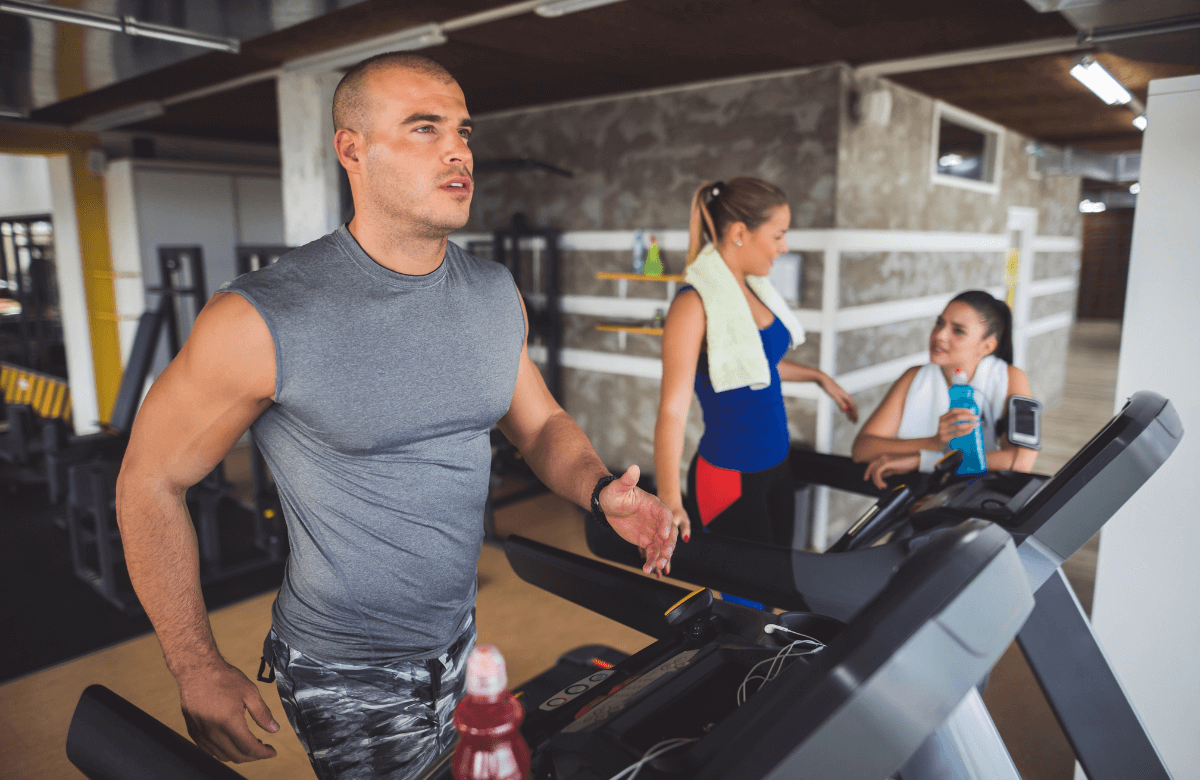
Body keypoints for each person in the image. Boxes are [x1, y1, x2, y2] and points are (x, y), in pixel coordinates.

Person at [114, 53, 676, 780]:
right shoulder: (264, 317)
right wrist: (194, 665)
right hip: (345, 666)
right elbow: (148, 482)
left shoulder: (492, 292)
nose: (458, 150)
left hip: (460, 634)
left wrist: (601, 491)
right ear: (353, 149)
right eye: (424, 128)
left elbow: (537, 426)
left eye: (463, 131)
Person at [655, 178, 858, 548]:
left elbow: (751, 367)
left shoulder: (752, 290)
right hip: (729, 476)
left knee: (777, 588)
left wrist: (817, 377)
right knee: (744, 601)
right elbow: (672, 409)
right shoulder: (693, 304)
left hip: (776, 465)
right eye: (778, 235)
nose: (784, 247)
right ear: (738, 233)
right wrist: (669, 499)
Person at [851, 290, 1039, 489]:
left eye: (958, 330)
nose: (940, 335)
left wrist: (923, 460)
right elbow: (863, 449)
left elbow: (1021, 461)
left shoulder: (1011, 378)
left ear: (987, 346)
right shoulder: (913, 377)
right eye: (939, 323)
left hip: (979, 498)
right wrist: (934, 442)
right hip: (918, 497)